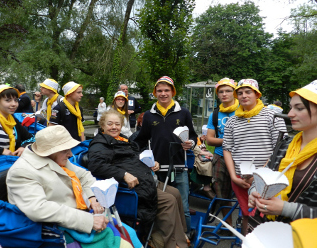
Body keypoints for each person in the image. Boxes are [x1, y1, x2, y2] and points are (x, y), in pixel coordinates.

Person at [6, 125, 141, 247]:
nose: (70, 154)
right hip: (56, 229)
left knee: (129, 232)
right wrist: (88, 221)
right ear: (49, 151)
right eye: (65, 150)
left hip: (79, 215)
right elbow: (39, 209)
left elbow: (84, 176)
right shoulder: (21, 172)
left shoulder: (55, 158)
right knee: (123, 243)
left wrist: (92, 197)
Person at [88, 109, 188, 248]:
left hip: (145, 179)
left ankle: (180, 235)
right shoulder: (100, 143)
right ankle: (172, 244)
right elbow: (96, 165)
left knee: (175, 193)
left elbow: (136, 157)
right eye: (109, 124)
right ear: (103, 126)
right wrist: (123, 174)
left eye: (117, 124)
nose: (114, 127)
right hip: (130, 187)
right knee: (168, 200)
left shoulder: (123, 139)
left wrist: (152, 163)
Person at [134, 76, 198, 235]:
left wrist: (191, 143)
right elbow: (141, 140)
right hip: (157, 169)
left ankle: (185, 236)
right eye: (160, 91)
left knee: (183, 206)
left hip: (179, 168)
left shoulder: (183, 113)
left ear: (173, 92)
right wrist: (143, 157)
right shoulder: (149, 115)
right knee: (160, 205)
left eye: (166, 90)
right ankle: (162, 236)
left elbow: (194, 137)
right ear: (155, 93)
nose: (163, 94)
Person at [248, 80, 317, 225]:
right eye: (291, 107)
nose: (290, 114)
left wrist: (286, 209)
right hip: (266, 230)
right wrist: (254, 191)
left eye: (299, 108)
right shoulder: (286, 145)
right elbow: (265, 174)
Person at [222, 79, 286, 235]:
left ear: (257, 94)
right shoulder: (232, 121)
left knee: (266, 215)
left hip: (266, 178)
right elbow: (227, 149)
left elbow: (280, 146)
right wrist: (233, 176)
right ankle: (247, 242)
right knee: (246, 213)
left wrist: (259, 175)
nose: (244, 96)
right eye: (240, 93)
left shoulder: (272, 115)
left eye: (248, 92)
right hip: (240, 178)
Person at [206, 78, 238, 227]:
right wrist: (231, 139)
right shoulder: (215, 114)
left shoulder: (242, 111)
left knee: (245, 195)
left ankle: (246, 227)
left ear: (234, 93)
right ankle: (229, 227)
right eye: (221, 91)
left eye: (228, 91)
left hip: (241, 158)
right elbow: (210, 140)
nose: (224, 94)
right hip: (220, 156)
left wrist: (223, 139)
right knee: (222, 195)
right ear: (218, 95)